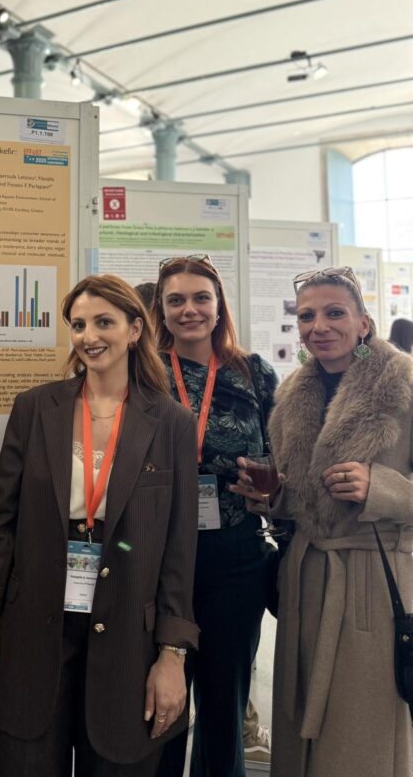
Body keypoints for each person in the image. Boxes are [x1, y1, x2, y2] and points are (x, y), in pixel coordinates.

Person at [0, 274, 199, 776]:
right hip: (35, 624)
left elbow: (179, 551)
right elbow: (2, 522)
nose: (89, 336)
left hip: (129, 637)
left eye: (103, 322)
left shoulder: (172, 423)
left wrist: (172, 654)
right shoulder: (36, 408)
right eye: (78, 325)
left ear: (134, 330)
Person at [233, 265, 413, 777]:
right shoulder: (292, 394)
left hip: (374, 584)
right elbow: (303, 501)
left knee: (359, 737)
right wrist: (271, 495)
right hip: (306, 581)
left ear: (363, 322)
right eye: (307, 316)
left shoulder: (403, 385)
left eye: (335, 313)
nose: (319, 326)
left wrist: (382, 488)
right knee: (299, 734)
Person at [151, 255, 277, 777]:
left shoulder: (254, 373)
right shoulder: (144, 372)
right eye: (176, 300)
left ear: (219, 305)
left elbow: (281, 457)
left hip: (234, 557)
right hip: (157, 559)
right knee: (158, 708)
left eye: (201, 298)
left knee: (225, 707)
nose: (190, 310)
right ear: (161, 310)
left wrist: (269, 490)